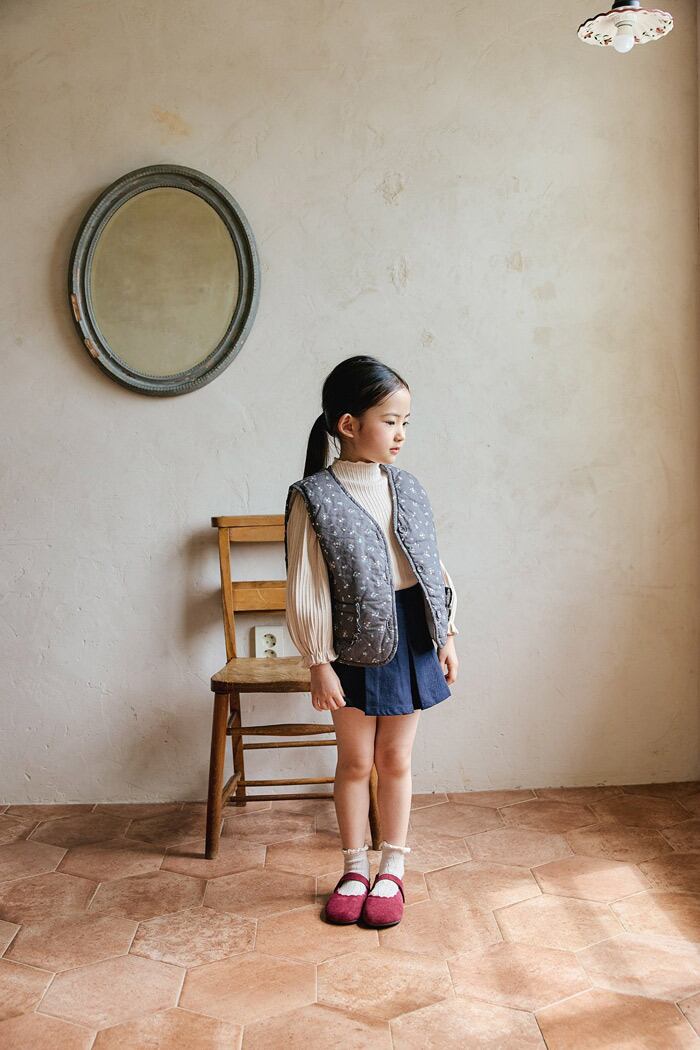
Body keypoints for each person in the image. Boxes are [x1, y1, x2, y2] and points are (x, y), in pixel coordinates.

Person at [284, 355, 459, 928]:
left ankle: (393, 868)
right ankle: (355, 867)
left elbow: (432, 565)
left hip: (412, 633)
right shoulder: (313, 496)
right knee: (356, 760)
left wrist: (447, 634)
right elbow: (307, 584)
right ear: (348, 424)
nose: (401, 433)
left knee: (395, 758)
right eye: (390, 421)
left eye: (406, 422)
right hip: (350, 643)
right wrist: (318, 661)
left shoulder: (408, 487)